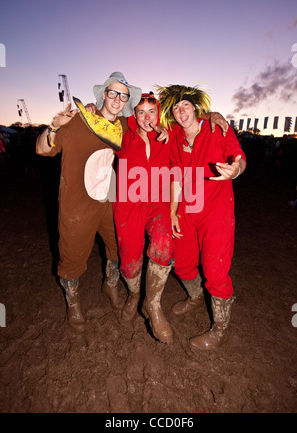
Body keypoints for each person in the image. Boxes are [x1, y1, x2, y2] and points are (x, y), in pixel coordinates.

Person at [112, 94, 229, 344]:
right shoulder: (123, 132)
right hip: (128, 207)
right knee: (129, 260)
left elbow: (191, 121)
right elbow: (102, 123)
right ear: (134, 115)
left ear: (159, 114)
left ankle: (152, 306)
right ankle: (134, 295)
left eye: (151, 112)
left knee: (165, 243)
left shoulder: (168, 134)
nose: (146, 117)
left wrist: (211, 115)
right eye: (140, 112)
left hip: (159, 203)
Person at [36, 72, 142, 331]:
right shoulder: (79, 121)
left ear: (127, 101)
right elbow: (42, 149)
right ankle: (73, 302)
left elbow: (165, 115)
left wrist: (210, 116)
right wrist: (53, 127)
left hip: (109, 201)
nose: (118, 99)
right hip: (77, 206)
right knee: (72, 259)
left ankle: (110, 284)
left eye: (123, 95)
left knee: (118, 247)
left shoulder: (126, 125)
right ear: (103, 94)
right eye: (113, 92)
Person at [157, 84, 246, 350]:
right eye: (175, 107)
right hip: (186, 208)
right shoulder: (173, 134)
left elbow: (239, 159)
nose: (181, 111)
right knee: (182, 264)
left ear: (195, 107)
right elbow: (174, 176)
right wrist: (172, 211)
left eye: (185, 105)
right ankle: (196, 297)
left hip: (216, 209)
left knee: (215, 271)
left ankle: (219, 330)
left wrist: (236, 170)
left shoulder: (216, 128)